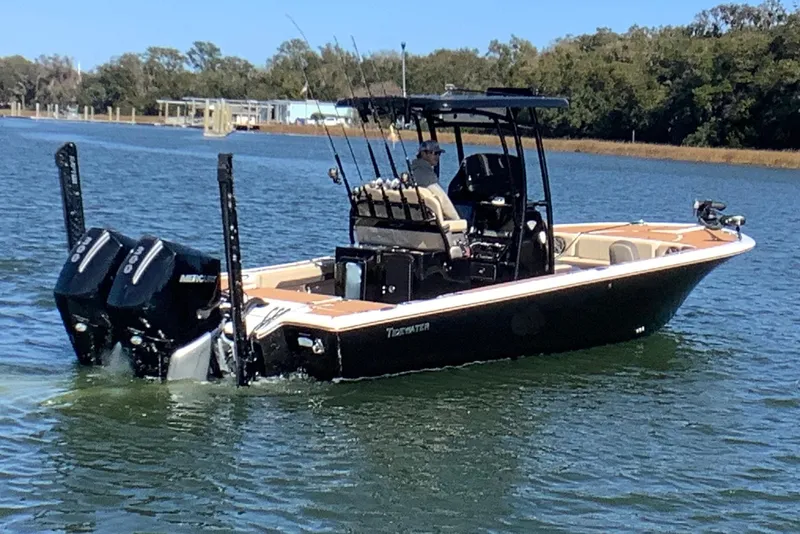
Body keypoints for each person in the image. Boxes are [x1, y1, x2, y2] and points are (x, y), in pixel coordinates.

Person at [409, 140, 461, 220]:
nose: (437, 157)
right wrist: (458, 220)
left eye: (439, 154)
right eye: (435, 153)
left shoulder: (414, 170)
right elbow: (444, 201)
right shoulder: (427, 176)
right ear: (423, 154)